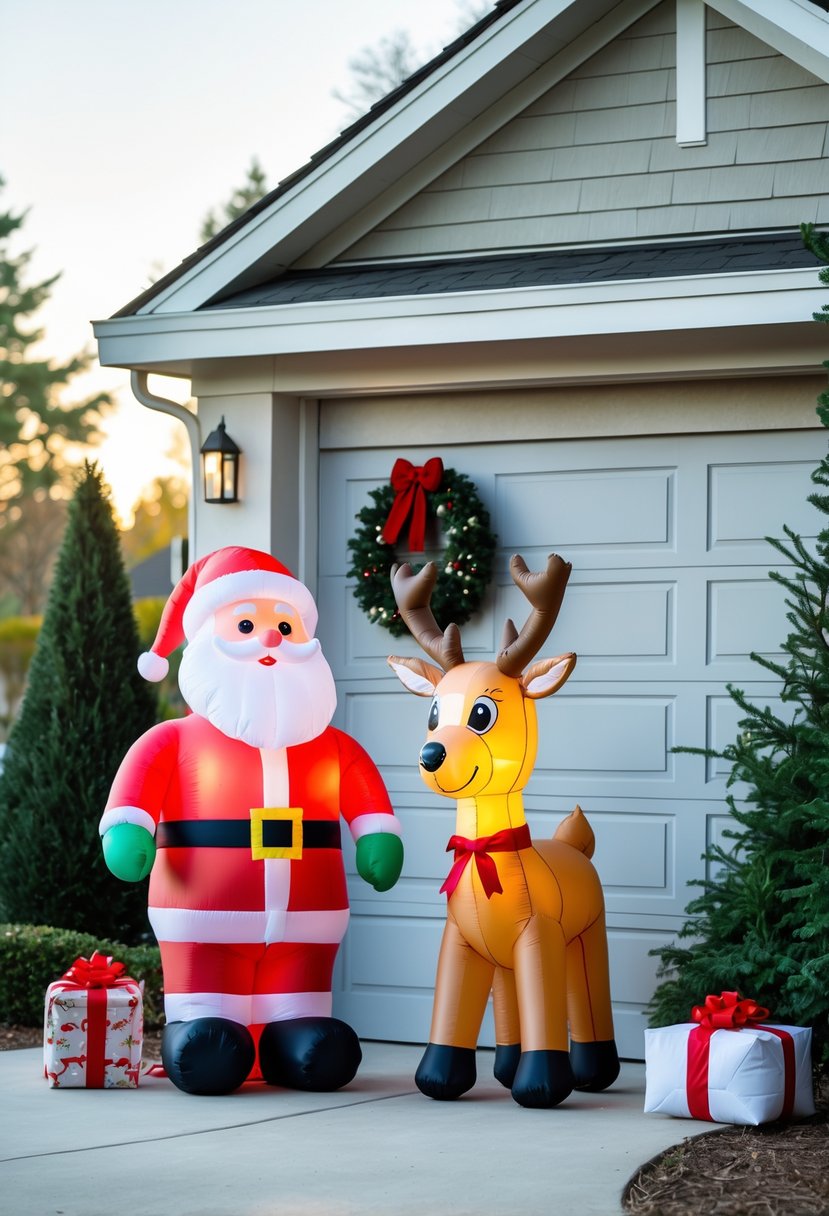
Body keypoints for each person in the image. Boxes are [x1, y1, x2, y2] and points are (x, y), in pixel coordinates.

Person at [101, 546, 403, 1095]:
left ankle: (297, 1035)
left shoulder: (330, 746)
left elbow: (364, 795)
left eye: (284, 625)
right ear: (205, 638)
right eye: (246, 623)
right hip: (204, 922)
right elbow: (136, 786)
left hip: (306, 927)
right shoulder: (174, 739)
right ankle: (202, 1029)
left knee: (311, 1036)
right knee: (211, 1040)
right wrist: (128, 830)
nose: (270, 638)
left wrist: (377, 836)